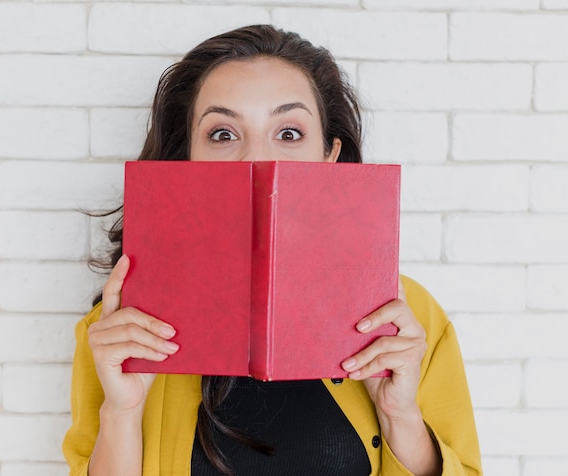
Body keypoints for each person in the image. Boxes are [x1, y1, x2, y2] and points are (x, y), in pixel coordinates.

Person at [63, 25, 482, 476]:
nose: (254, 159)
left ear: (330, 155)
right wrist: (122, 412)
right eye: (223, 134)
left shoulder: (405, 317)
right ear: (188, 160)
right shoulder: (120, 325)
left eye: (288, 132)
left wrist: (401, 417)